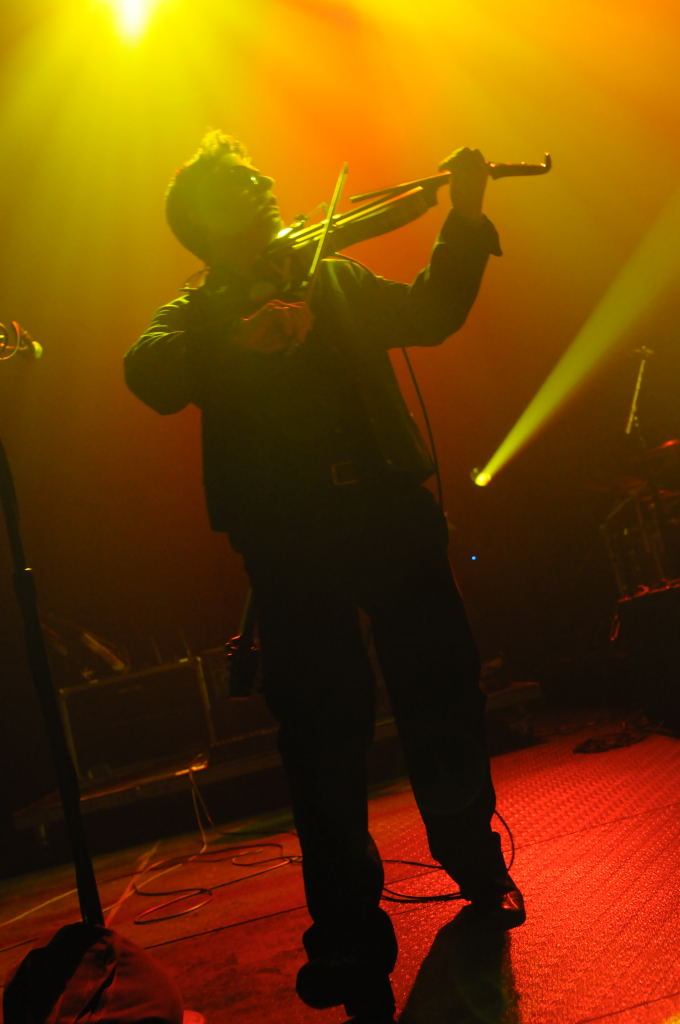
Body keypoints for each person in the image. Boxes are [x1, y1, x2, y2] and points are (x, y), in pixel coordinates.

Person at [124, 131, 525, 1024]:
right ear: (205, 222)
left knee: (441, 691)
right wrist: (237, 339)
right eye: (241, 184)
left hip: (389, 512)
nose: (265, 183)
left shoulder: (332, 274)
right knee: (320, 736)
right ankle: (346, 937)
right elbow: (146, 371)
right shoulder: (195, 312)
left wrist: (463, 221)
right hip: (290, 543)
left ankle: (473, 859)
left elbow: (430, 313)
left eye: (258, 176)